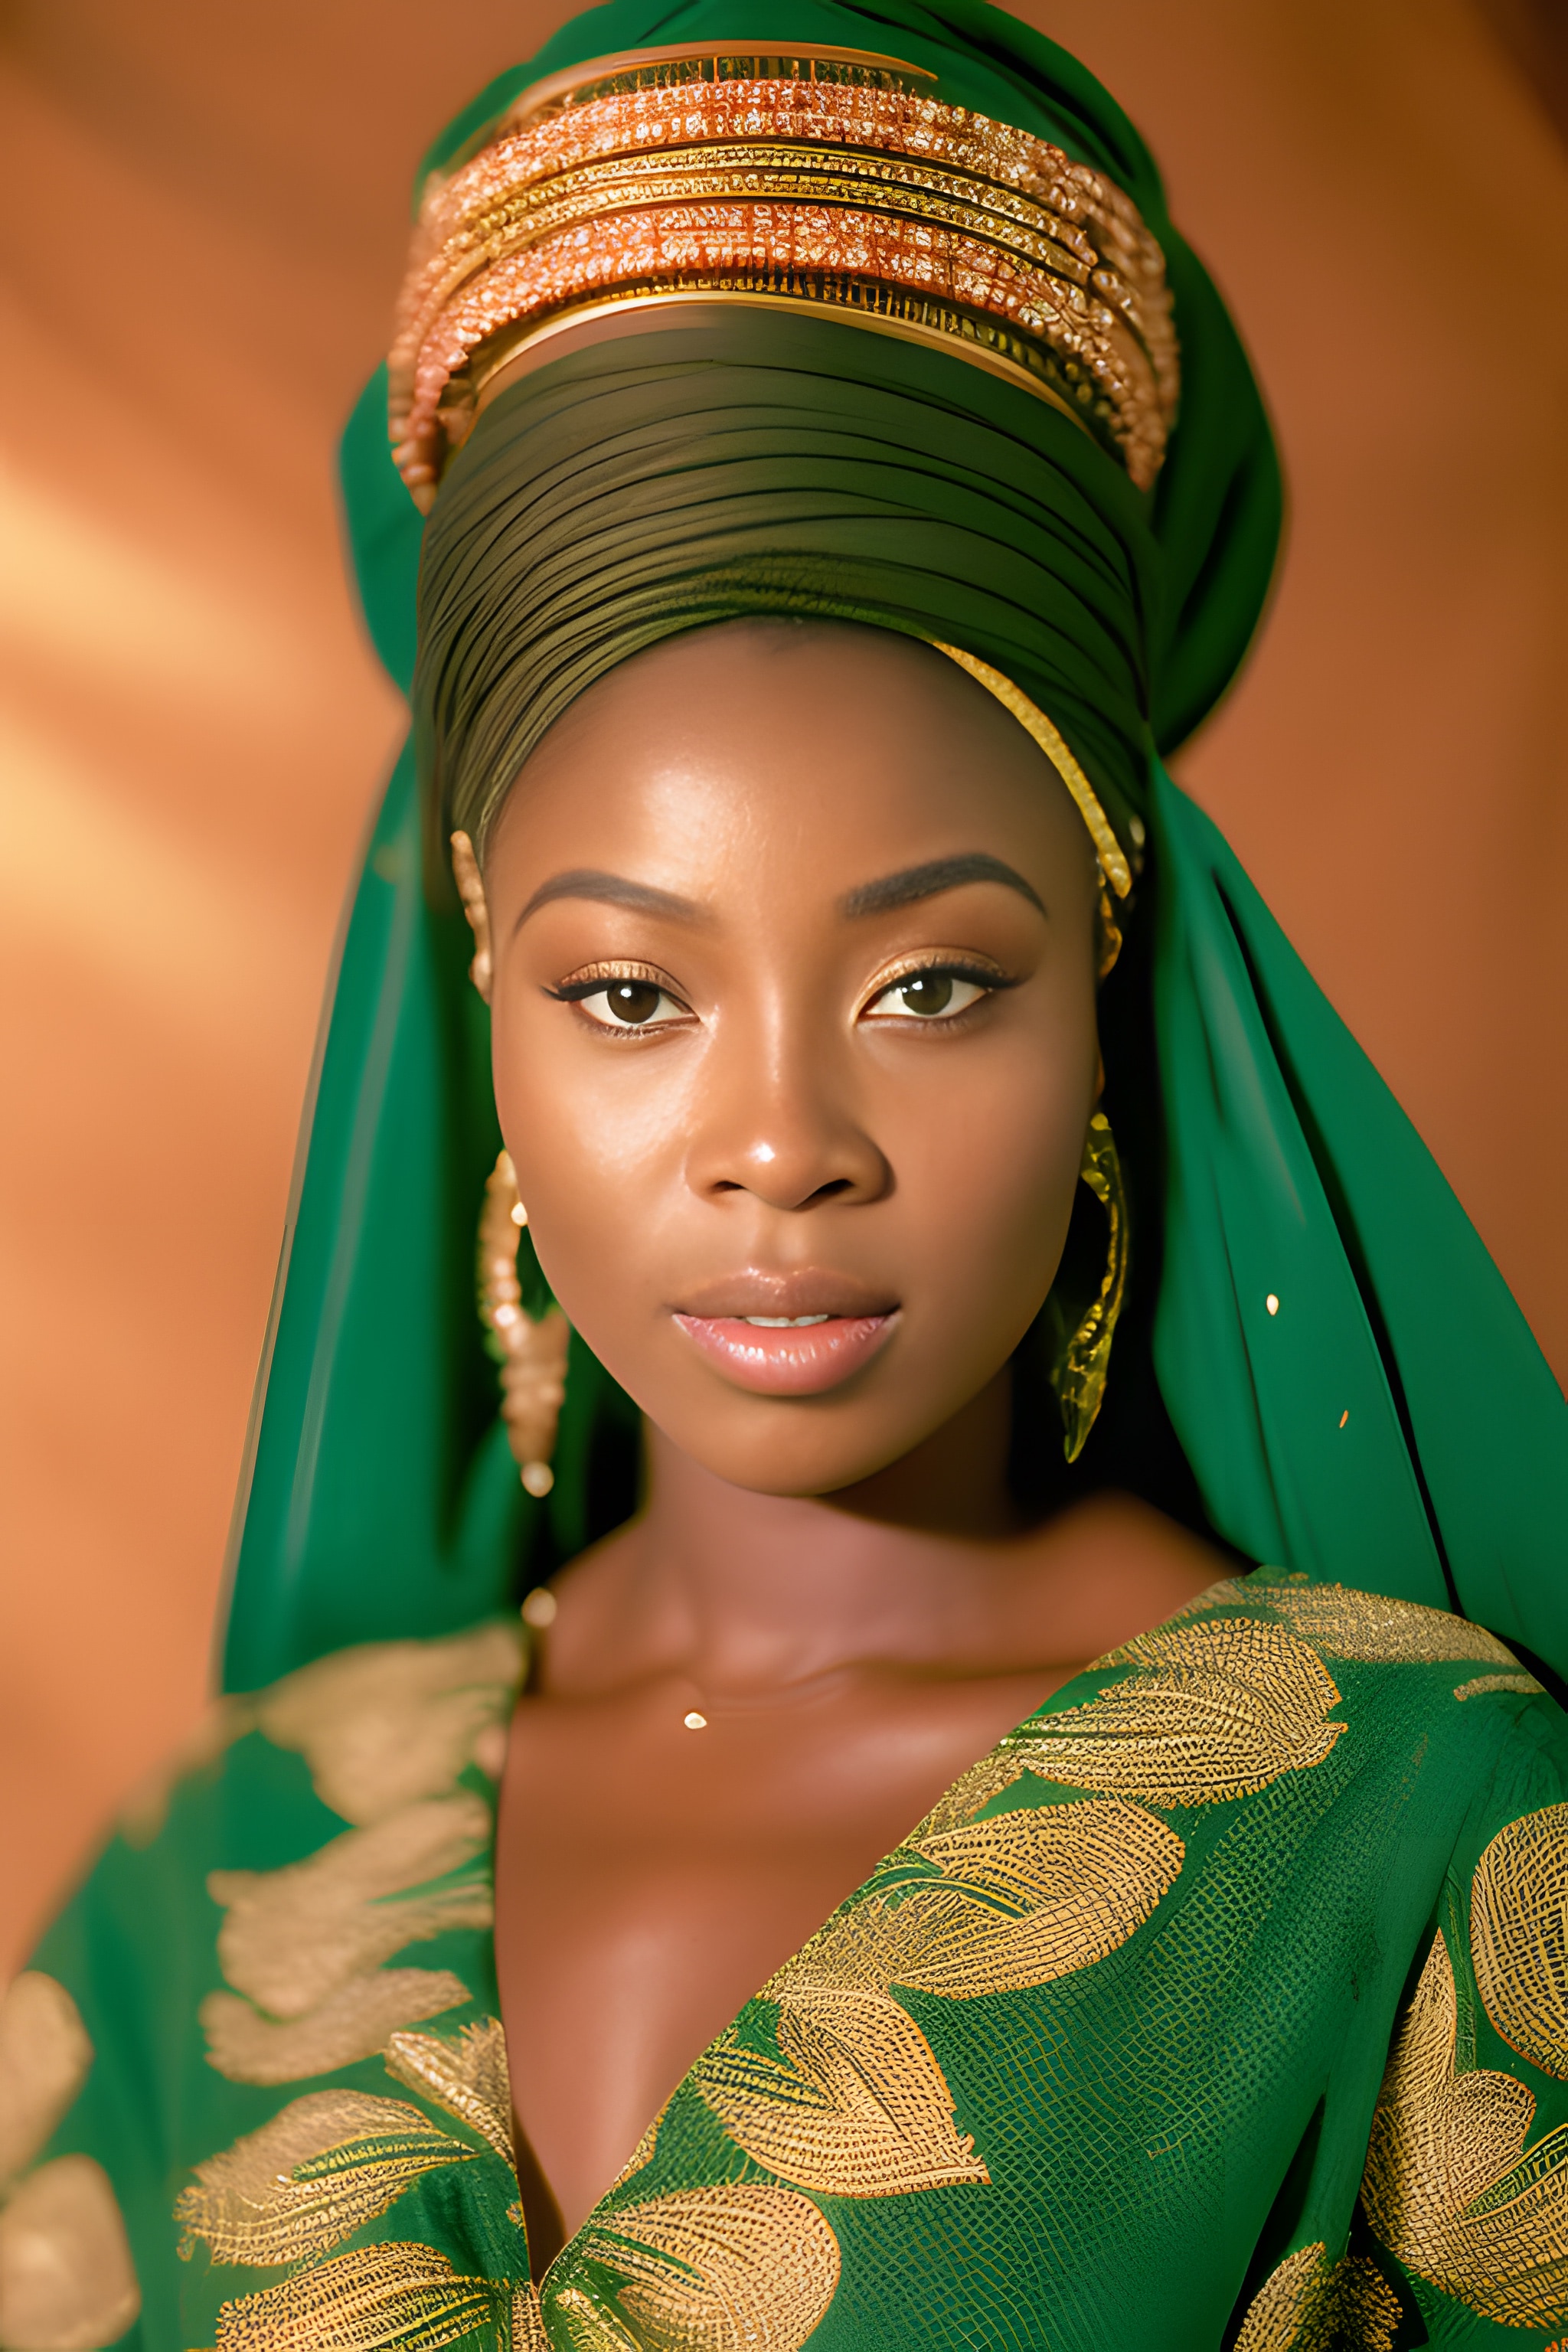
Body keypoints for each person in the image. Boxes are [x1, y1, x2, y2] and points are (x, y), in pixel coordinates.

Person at [3, 4, 1566, 2346]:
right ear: (482, 1020)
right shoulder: (204, 1876)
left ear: (1114, 1002)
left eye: (932, 985)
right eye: (629, 995)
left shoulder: (1425, 1835)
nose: (780, 1151)